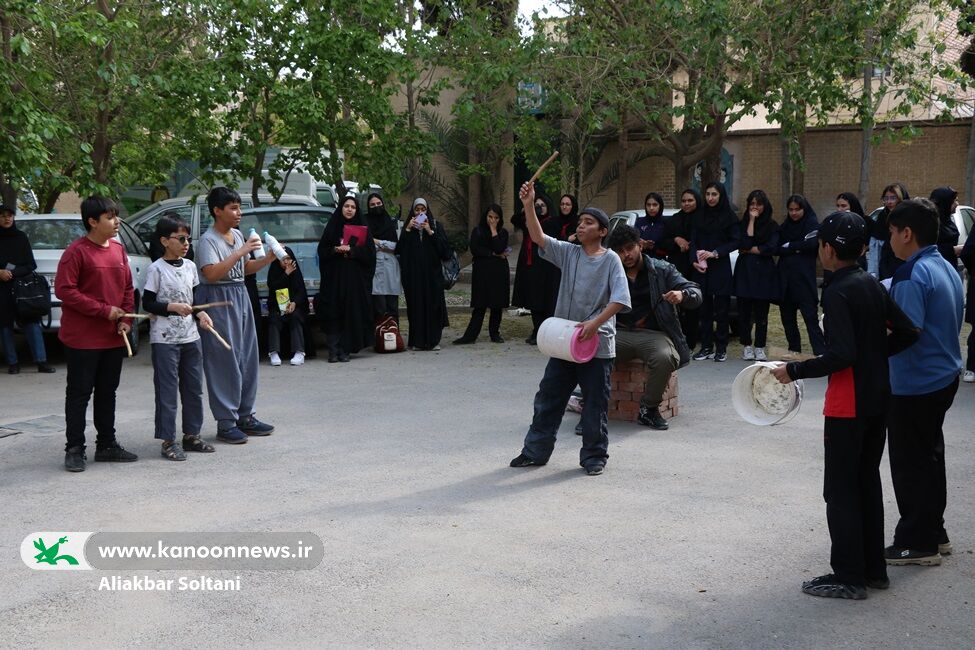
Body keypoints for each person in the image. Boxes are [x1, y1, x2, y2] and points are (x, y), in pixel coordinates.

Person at [770, 211, 918, 600]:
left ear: (828, 250)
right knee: (865, 482)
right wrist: (875, 355)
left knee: (839, 491)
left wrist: (794, 370)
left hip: (848, 403)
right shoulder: (870, 283)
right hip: (878, 397)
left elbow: (840, 355)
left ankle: (849, 575)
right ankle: (873, 571)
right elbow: (908, 332)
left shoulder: (837, 290)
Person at [509, 183, 630, 476]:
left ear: (602, 231)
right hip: (565, 343)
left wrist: (594, 324)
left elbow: (620, 300)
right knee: (548, 398)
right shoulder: (569, 253)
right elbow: (538, 237)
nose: (582, 225)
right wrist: (528, 203)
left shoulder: (611, 259)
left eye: (589, 222)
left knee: (594, 405)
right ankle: (535, 451)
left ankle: (593, 457)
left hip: (597, 345)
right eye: (580, 222)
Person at [884, 198, 964, 567]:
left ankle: (917, 542)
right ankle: (935, 531)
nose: (889, 239)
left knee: (911, 462)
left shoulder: (911, 274)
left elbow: (906, 332)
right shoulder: (944, 266)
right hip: (944, 376)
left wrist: (869, 351)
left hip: (916, 383)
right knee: (930, 458)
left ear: (907, 233)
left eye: (891, 231)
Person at [55, 196, 139, 472]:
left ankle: (107, 445)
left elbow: (128, 288)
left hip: (113, 337)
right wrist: (103, 311)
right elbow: (65, 291)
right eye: (110, 217)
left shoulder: (118, 249)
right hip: (82, 339)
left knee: (107, 392)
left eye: (116, 216)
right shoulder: (76, 252)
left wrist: (126, 318)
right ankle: (75, 448)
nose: (117, 222)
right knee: (79, 394)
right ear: (92, 221)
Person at [195, 187, 276, 444]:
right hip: (218, 299)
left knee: (247, 357)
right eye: (232, 208)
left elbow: (244, 269)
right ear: (217, 211)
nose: (238, 212)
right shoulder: (208, 240)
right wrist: (240, 252)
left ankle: (245, 415)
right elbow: (211, 274)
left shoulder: (238, 235)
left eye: (239, 207)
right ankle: (226, 422)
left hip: (240, 295)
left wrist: (269, 258)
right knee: (224, 360)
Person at [607, 224, 702, 430]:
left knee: (665, 356)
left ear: (640, 245)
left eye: (630, 248)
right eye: (620, 251)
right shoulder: (609, 271)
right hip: (618, 332)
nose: (626, 254)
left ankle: (648, 409)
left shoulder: (662, 269)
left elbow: (695, 292)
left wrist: (682, 295)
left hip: (653, 333)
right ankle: (592, 409)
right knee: (591, 351)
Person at [141, 214, 215, 460]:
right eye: (181, 238)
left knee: (194, 388)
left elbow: (194, 301)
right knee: (168, 391)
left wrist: (201, 315)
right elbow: (148, 302)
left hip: (191, 338)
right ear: (164, 240)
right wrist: (171, 307)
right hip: (165, 340)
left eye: (188, 239)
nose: (186, 244)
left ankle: (192, 435)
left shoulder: (191, 266)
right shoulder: (156, 269)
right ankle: (168, 440)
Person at [317, 195, 376, 362]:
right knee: (334, 313)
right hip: (334, 281)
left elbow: (370, 255)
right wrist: (336, 249)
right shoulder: (332, 227)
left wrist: (352, 250)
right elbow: (322, 251)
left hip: (354, 282)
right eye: (346, 206)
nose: (350, 209)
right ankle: (332, 350)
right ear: (341, 208)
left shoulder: (363, 227)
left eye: (353, 207)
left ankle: (345, 350)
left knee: (351, 314)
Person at [0, 204, 55, 374]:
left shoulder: (21, 237)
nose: (7, 218)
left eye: (9, 215)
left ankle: (41, 361)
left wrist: (12, 272)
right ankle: (13, 363)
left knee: (32, 323)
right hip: (1, 290)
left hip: (23, 288)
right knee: (4, 326)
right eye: (2, 216)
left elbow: (31, 265)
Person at [690, 182, 740, 362]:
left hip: (720, 267)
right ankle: (705, 346)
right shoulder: (699, 215)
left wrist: (715, 253)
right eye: (708, 194)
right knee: (704, 310)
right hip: (702, 269)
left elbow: (735, 241)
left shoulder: (729, 216)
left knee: (721, 310)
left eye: (714, 194)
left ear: (721, 196)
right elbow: (693, 240)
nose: (710, 198)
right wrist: (694, 261)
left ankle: (721, 348)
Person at [777, 194, 826, 358]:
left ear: (804, 209)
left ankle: (820, 353)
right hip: (786, 282)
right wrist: (798, 247)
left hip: (804, 281)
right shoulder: (786, 226)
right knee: (788, 320)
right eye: (790, 210)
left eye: (797, 209)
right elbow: (778, 247)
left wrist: (791, 246)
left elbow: (811, 244)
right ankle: (794, 350)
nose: (794, 213)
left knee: (811, 320)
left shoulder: (811, 223)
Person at [733, 189, 779, 361]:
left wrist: (752, 249)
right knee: (744, 312)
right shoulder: (743, 223)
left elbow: (771, 248)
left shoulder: (772, 225)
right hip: (745, 271)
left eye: (758, 204)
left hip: (764, 273)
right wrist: (751, 220)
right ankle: (746, 345)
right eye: (752, 204)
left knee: (761, 313)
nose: (755, 207)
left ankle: (760, 346)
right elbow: (744, 242)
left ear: (764, 205)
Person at [398, 198, 450, 350]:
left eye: (423, 210)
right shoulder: (408, 228)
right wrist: (407, 229)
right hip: (414, 277)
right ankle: (418, 341)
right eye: (417, 210)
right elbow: (400, 250)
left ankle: (433, 340)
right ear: (413, 212)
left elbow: (445, 251)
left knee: (433, 306)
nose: (420, 213)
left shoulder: (435, 225)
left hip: (433, 276)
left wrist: (430, 231)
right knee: (416, 307)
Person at [454, 204, 509, 344]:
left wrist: (493, 231)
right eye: (490, 217)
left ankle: (494, 333)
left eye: (496, 217)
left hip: (498, 272)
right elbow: (475, 249)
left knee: (496, 305)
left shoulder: (503, 232)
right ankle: (470, 336)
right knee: (480, 305)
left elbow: (500, 247)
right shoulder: (477, 231)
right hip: (482, 272)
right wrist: (493, 254)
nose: (493, 220)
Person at [511, 193, 559, 344]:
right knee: (532, 299)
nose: (539, 209)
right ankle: (537, 330)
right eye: (536, 206)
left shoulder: (552, 222)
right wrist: (528, 207)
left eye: (542, 206)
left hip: (546, 267)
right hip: (529, 265)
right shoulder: (528, 221)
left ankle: (546, 332)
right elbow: (514, 220)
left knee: (545, 300)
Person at [659, 188, 701, 351]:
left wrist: (691, 247)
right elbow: (664, 242)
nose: (686, 204)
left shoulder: (703, 219)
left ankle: (692, 342)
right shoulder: (674, 220)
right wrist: (676, 240)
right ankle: (677, 340)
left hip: (698, 267)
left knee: (694, 304)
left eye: (690, 200)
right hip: (678, 267)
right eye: (683, 201)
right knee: (677, 306)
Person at [266, 245, 309, 366]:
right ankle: (274, 352)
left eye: (288, 259)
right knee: (274, 318)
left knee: (296, 317)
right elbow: (273, 287)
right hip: (277, 306)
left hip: (294, 306)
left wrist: (295, 303)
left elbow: (301, 291)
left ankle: (299, 352)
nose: (286, 262)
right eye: (283, 259)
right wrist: (285, 274)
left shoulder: (296, 272)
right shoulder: (275, 271)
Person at [365, 192, 402, 323]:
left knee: (392, 308)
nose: (376, 206)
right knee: (378, 308)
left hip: (391, 269)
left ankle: (394, 338)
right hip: (374, 269)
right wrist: (383, 245)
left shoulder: (390, 222)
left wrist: (376, 241)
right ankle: (380, 339)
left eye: (379, 203)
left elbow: (396, 246)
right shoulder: (365, 222)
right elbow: (365, 244)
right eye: (373, 205)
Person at [868, 182, 909, 280]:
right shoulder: (882, 217)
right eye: (886, 198)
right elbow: (875, 246)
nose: (889, 202)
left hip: (904, 266)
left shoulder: (909, 217)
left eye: (893, 198)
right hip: (885, 266)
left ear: (901, 199)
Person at [929, 186, 962, 272]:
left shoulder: (947, 220)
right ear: (945, 203)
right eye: (954, 201)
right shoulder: (931, 224)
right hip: (936, 270)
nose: (957, 204)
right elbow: (927, 249)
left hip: (950, 268)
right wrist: (953, 250)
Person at [835, 192, 867, 272]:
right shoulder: (836, 223)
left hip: (857, 263)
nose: (839, 209)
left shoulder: (865, 222)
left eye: (843, 206)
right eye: (838, 206)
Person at [634, 192, 669, 259]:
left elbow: (670, 246)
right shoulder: (639, 222)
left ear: (660, 206)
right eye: (648, 205)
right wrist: (642, 244)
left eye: (655, 205)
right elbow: (632, 242)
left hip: (661, 263)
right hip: (641, 263)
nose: (651, 208)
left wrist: (653, 247)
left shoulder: (666, 223)